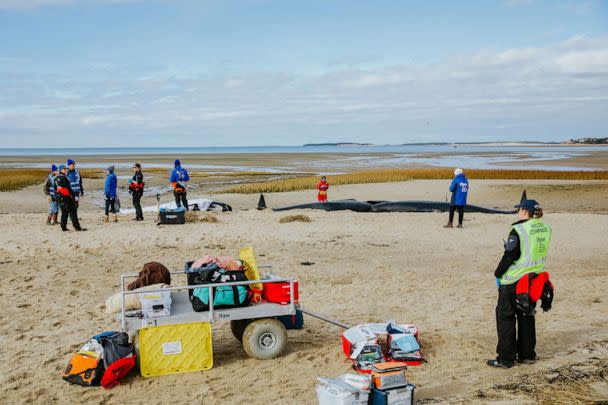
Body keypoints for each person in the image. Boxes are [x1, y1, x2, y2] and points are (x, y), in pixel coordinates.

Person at [487, 199, 551, 369]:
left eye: (519, 209)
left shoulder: (519, 229)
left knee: (505, 316)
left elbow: (510, 255)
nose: (517, 212)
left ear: (524, 211)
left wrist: (498, 273)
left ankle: (505, 359)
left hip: (514, 279)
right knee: (526, 315)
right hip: (534, 279)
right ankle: (527, 355)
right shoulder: (545, 227)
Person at [55, 165, 86, 231]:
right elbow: (68, 188)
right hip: (66, 198)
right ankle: (77, 227)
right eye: (64, 169)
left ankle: (63, 227)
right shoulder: (63, 178)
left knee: (64, 213)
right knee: (73, 212)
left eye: (66, 169)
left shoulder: (56, 178)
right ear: (61, 170)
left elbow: (56, 189)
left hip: (60, 198)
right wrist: (74, 196)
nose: (66, 170)